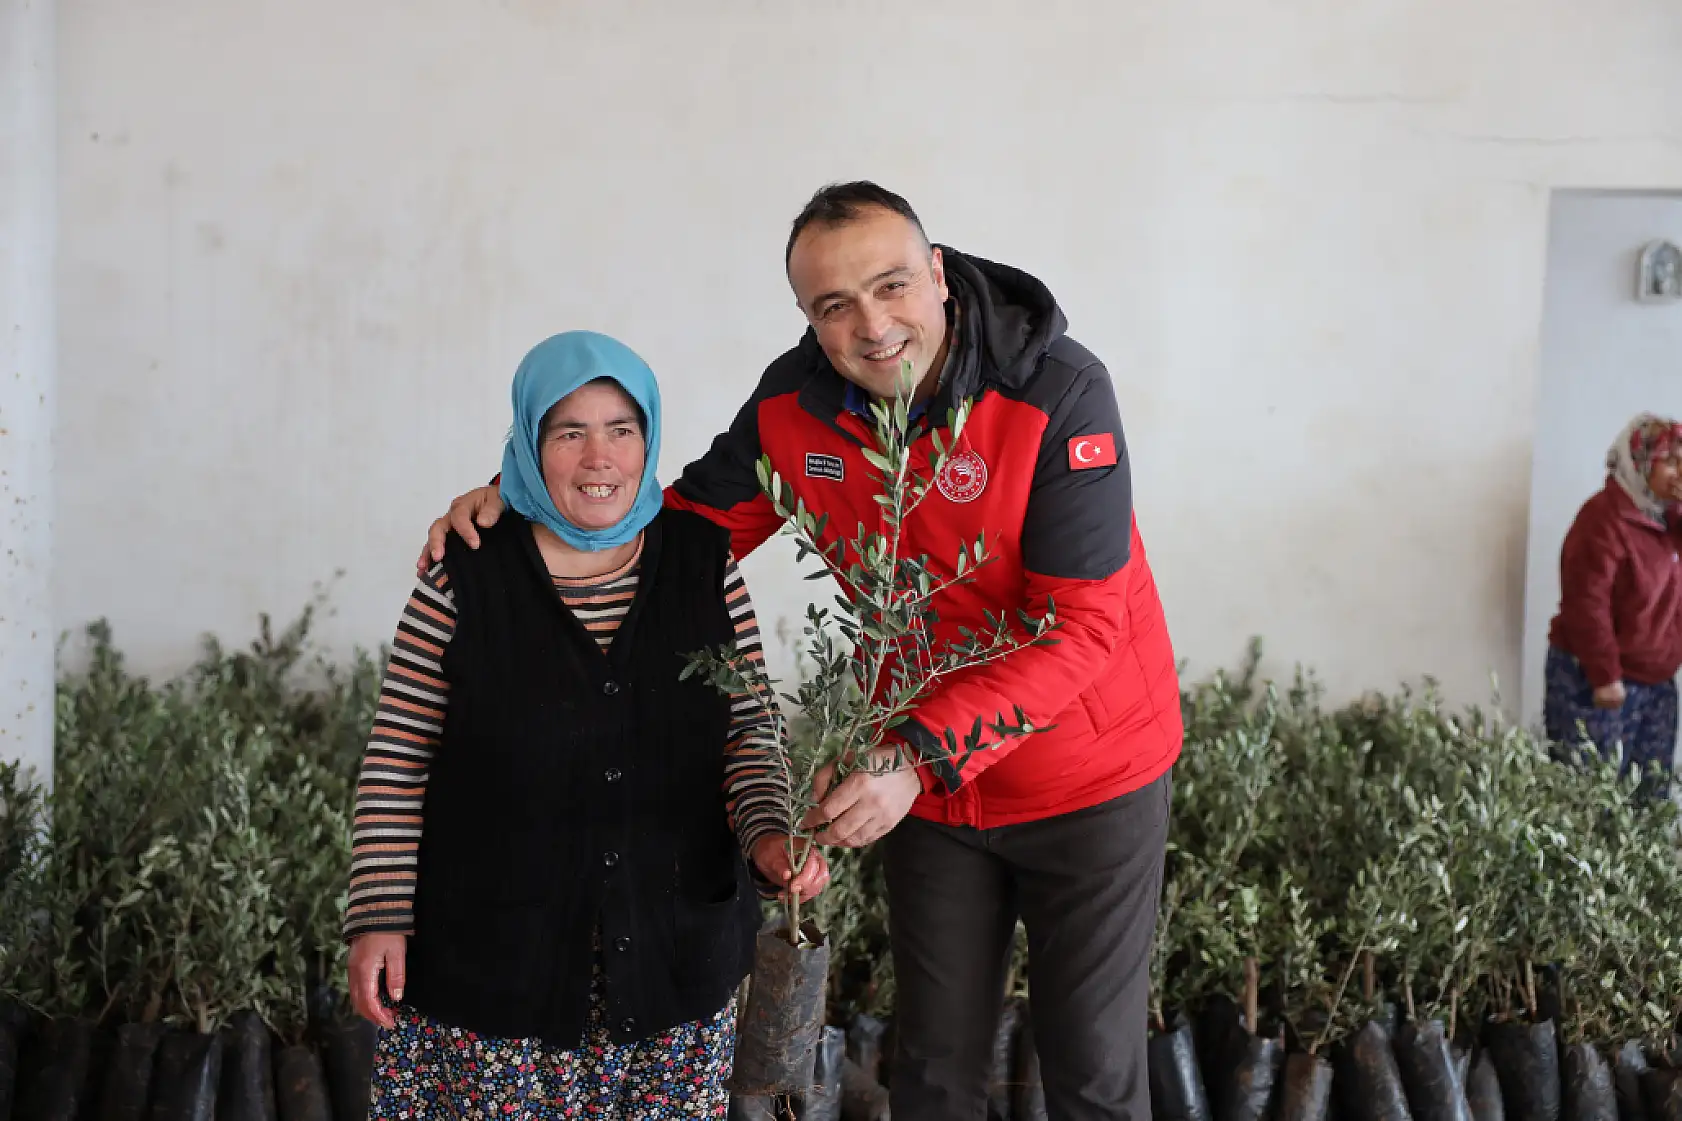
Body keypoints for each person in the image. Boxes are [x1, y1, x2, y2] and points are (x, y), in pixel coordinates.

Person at [423, 183, 1183, 1121]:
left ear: (937, 274)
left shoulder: (1057, 392)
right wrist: (526, 495)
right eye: (834, 305)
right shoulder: (795, 406)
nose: (871, 325)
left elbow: (1082, 631)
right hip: (930, 787)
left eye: (892, 285)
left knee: (1094, 1075)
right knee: (935, 1066)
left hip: (1085, 779)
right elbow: (686, 535)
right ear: (808, 319)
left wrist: (912, 755)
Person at [346, 330, 829, 1118]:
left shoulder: (705, 565)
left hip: (672, 969)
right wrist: (378, 915)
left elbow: (748, 731)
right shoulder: (464, 570)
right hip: (489, 968)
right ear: (531, 445)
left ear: (649, 440)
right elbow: (398, 758)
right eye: (569, 432)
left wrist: (769, 833)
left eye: (622, 430)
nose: (599, 456)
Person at [1545, 412, 1682, 799]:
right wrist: (1605, 675)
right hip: (1598, 680)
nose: (1680, 471)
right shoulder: (1603, 520)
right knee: (1588, 800)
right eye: (1670, 460)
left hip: (1656, 683)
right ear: (1640, 463)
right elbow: (1586, 603)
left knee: (1648, 801)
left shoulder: (1672, 520)